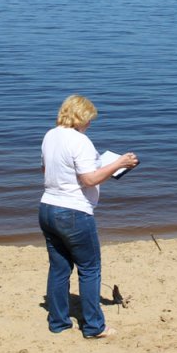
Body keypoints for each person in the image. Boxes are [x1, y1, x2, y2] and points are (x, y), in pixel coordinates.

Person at [39, 95, 138, 339]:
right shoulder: (80, 140)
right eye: (89, 119)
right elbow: (89, 179)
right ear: (80, 117)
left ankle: (58, 322)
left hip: (48, 206)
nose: (90, 124)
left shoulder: (50, 135)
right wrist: (119, 163)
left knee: (59, 267)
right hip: (73, 210)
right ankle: (94, 326)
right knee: (90, 268)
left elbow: (46, 169)